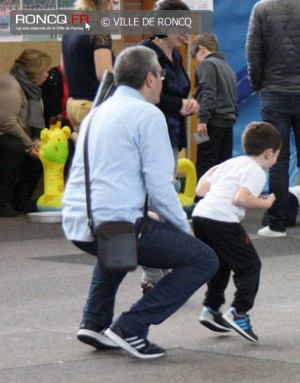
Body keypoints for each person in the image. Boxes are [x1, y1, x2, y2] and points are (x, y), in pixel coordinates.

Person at [61, 46, 218, 360]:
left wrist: (140, 210)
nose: (162, 81)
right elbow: (160, 187)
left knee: (122, 238)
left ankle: (95, 321)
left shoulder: (97, 112)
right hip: (112, 222)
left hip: (78, 221)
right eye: (160, 75)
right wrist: (183, 228)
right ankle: (131, 327)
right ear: (150, 78)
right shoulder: (148, 115)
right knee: (204, 259)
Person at [192, 122, 281, 343]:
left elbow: (200, 190)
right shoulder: (257, 171)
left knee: (221, 263)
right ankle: (238, 312)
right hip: (222, 220)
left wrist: (214, 171)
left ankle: (210, 308)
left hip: (201, 216)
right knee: (250, 265)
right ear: (269, 153)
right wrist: (266, 203)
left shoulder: (232, 163)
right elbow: (240, 198)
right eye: (277, 154)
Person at [246, 0, 300, 238]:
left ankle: (277, 224)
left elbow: (253, 51)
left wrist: (257, 84)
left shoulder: (261, 9)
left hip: (274, 92)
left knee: (277, 162)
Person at [139, 0, 199, 293]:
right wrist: (181, 104)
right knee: (152, 204)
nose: (185, 31)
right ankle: (152, 273)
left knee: (161, 202)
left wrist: (186, 105)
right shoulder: (145, 52)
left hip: (171, 135)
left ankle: (156, 270)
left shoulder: (176, 55)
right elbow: (146, 92)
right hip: (149, 134)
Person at [0, 49, 51, 217]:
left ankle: (21, 198)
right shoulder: (10, 85)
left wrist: (37, 141)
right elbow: (7, 123)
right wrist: (29, 145)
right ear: (34, 71)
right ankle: (2, 200)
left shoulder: (33, 89)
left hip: (19, 134)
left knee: (44, 150)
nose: (47, 74)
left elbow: (35, 123)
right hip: (5, 135)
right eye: (44, 70)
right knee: (14, 148)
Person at [61, 0, 115, 132]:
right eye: (112, 2)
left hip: (73, 104)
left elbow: (63, 68)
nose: (113, 8)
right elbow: (105, 75)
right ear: (103, 3)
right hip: (91, 104)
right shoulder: (99, 30)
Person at [190, 34, 238, 180]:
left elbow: (208, 91)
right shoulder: (227, 67)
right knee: (222, 166)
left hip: (211, 122)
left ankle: (201, 201)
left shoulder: (208, 64)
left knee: (205, 163)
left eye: (195, 56)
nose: (197, 62)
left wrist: (202, 119)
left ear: (202, 49)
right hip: (227, 122)